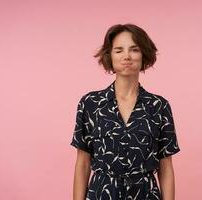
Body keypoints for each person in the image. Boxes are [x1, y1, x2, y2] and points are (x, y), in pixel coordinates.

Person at [70, 23, 180, 200]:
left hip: (145, 194)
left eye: (134, 49)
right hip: (102, 194)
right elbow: (82, 163)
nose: (127, 56)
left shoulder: (159, 106)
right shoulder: (91, 104)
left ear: (144, 54)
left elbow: (165, 166)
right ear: (110, 56)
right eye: (119, 50)